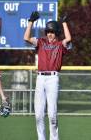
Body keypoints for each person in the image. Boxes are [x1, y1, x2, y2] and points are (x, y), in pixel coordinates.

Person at [24, 11, 72, 140]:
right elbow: (26, 38)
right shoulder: (41, 42)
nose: (50, 34)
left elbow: (68, 39)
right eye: (48, 31)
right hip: (40, 78)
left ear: (57, 33)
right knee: (38, 114)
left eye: (52, 31)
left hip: (52, 78)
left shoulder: (60, 45)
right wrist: (30, 22)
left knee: (52, 114)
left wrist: (64, 23)